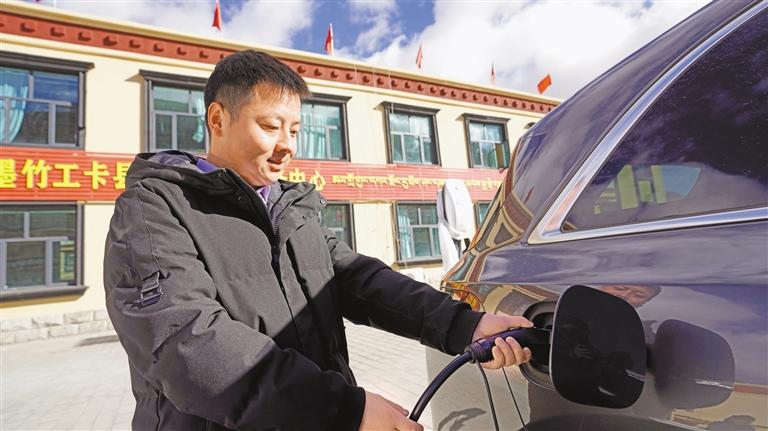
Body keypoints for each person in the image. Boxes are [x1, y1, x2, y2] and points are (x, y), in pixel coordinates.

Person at [103, 50, 532, 431]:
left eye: (294, 130)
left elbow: (361, 282)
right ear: (218, 119)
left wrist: (465, 325)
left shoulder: (290, 209)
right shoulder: (155, 208)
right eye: (270, 126)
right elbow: (187, 344)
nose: (286, 146)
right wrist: (343, 411)